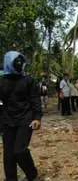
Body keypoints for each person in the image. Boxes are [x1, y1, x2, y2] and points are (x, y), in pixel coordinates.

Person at [0, 51, 42, 181]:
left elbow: (35, 100)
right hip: (7, 120)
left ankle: (32, 173)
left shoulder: (29, 81)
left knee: (19, 150)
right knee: (8, 154)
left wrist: (37, 118)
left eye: (20, 61)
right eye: (15, 62)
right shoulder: (2, 81)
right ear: (8, 63)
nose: (19, 64)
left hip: (25, 118)